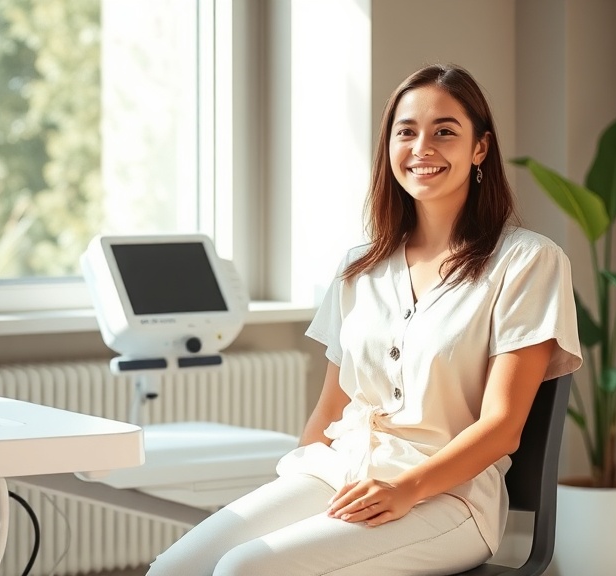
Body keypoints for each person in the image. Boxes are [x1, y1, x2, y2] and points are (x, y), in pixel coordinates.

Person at [146, 63, 582, 576]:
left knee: (245, 570)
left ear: (480, 148)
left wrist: (406, 488)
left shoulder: (527, 261)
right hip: (338, 473)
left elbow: (502, 427)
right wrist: (295, 487)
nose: (423, 147)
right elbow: (331, 407)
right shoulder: (361, 267)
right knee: (175, 569)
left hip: (448, 499)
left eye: (445, 131)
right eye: (407, 131)